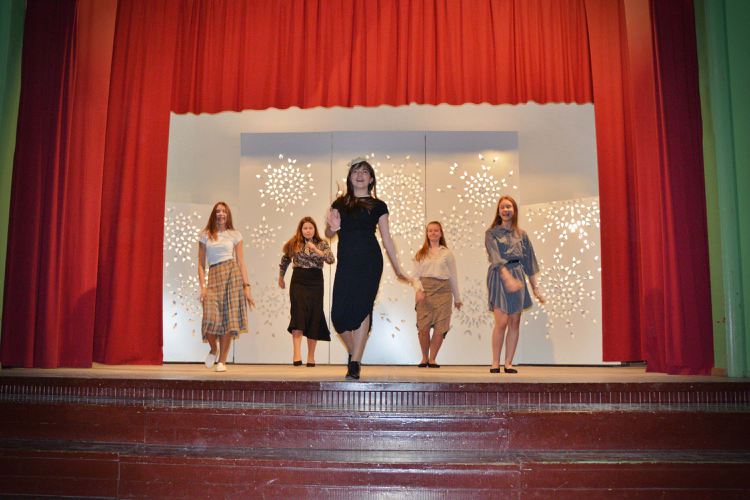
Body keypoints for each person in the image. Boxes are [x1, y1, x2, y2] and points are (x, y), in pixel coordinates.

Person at [325, 158, 408, 380]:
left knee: (363, 309)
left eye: (364, 172)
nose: (360, 175)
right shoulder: (340, 203)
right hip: (346, 262)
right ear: (350, 177)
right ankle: (356, 353)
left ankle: (354, 363)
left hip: (370, 261)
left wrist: (397, 267)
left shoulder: (378, 205)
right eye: (356, 171)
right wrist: (332, 226)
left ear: (371, 179)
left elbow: (387, 238)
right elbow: (329, 233)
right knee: (338, 316)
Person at [485, 195, 545, 374]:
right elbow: (495, 258)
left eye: (509, 207)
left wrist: (535, 289)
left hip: (517, 274)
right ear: (498, 211)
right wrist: (507, 278)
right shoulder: (491, 233)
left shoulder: (522, 234)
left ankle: (508, 363)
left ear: (514, 210)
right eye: (502, 207)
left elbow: (530, 263)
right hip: (499, 276)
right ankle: (495, 362)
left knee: (514, 322)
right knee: (501, 321)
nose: (506, 210)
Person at [198, 202, 254, 373]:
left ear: (228, 214)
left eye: (223, 211)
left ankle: (222, 361)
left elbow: (241, 261)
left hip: (232, 275)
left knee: (229, 320)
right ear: (214, 214)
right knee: (209, 318)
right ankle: (213, 349)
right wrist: (203, 287)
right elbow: (200, 264)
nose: (221, 214)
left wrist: (246, 286)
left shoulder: (235, 235)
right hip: (214, 276)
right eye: (218, 211)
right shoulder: (205, 235)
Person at [278, 217, 335, 367]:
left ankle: (311, 356)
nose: (308, 231)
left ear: (314, 229)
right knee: (298, 314)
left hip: (315, 281)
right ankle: (296, 354)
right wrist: (281, 277)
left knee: (314, 316)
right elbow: (285, 259)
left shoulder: (322, 243)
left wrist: (315, 250)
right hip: (299, 280)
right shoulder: (294, 243)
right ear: (301, 230)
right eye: (305, 228)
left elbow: (331, 259)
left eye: (310, 228)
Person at [411, 221, 462, 368]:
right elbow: (415, 277)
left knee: (440, 328)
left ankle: (432, 359)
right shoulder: (420, 253)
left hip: (444, 292)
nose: (433, 233)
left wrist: (457, 298)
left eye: (436, 230)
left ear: (440, 233)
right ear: (427, 234)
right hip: (425, 292)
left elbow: (453, 276)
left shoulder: (447, 253)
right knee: (423, 328)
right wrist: (419, 290)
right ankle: (424, 358)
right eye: (430, 231)